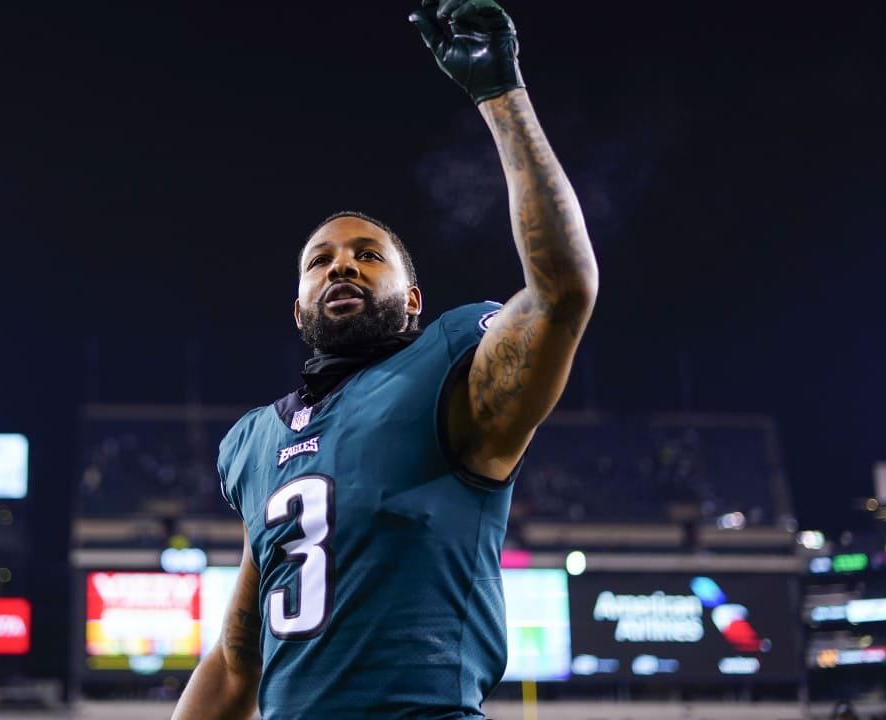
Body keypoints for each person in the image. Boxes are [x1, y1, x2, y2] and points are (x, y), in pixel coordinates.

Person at [172, 1, 598, 717]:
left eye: (368, 256)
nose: (341, 267)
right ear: (297, 307)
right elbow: (237, 661)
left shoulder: (452, 369)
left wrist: (500, 94)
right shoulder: (254, 441)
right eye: (320, 261)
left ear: (412, 302)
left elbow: (561, 294)